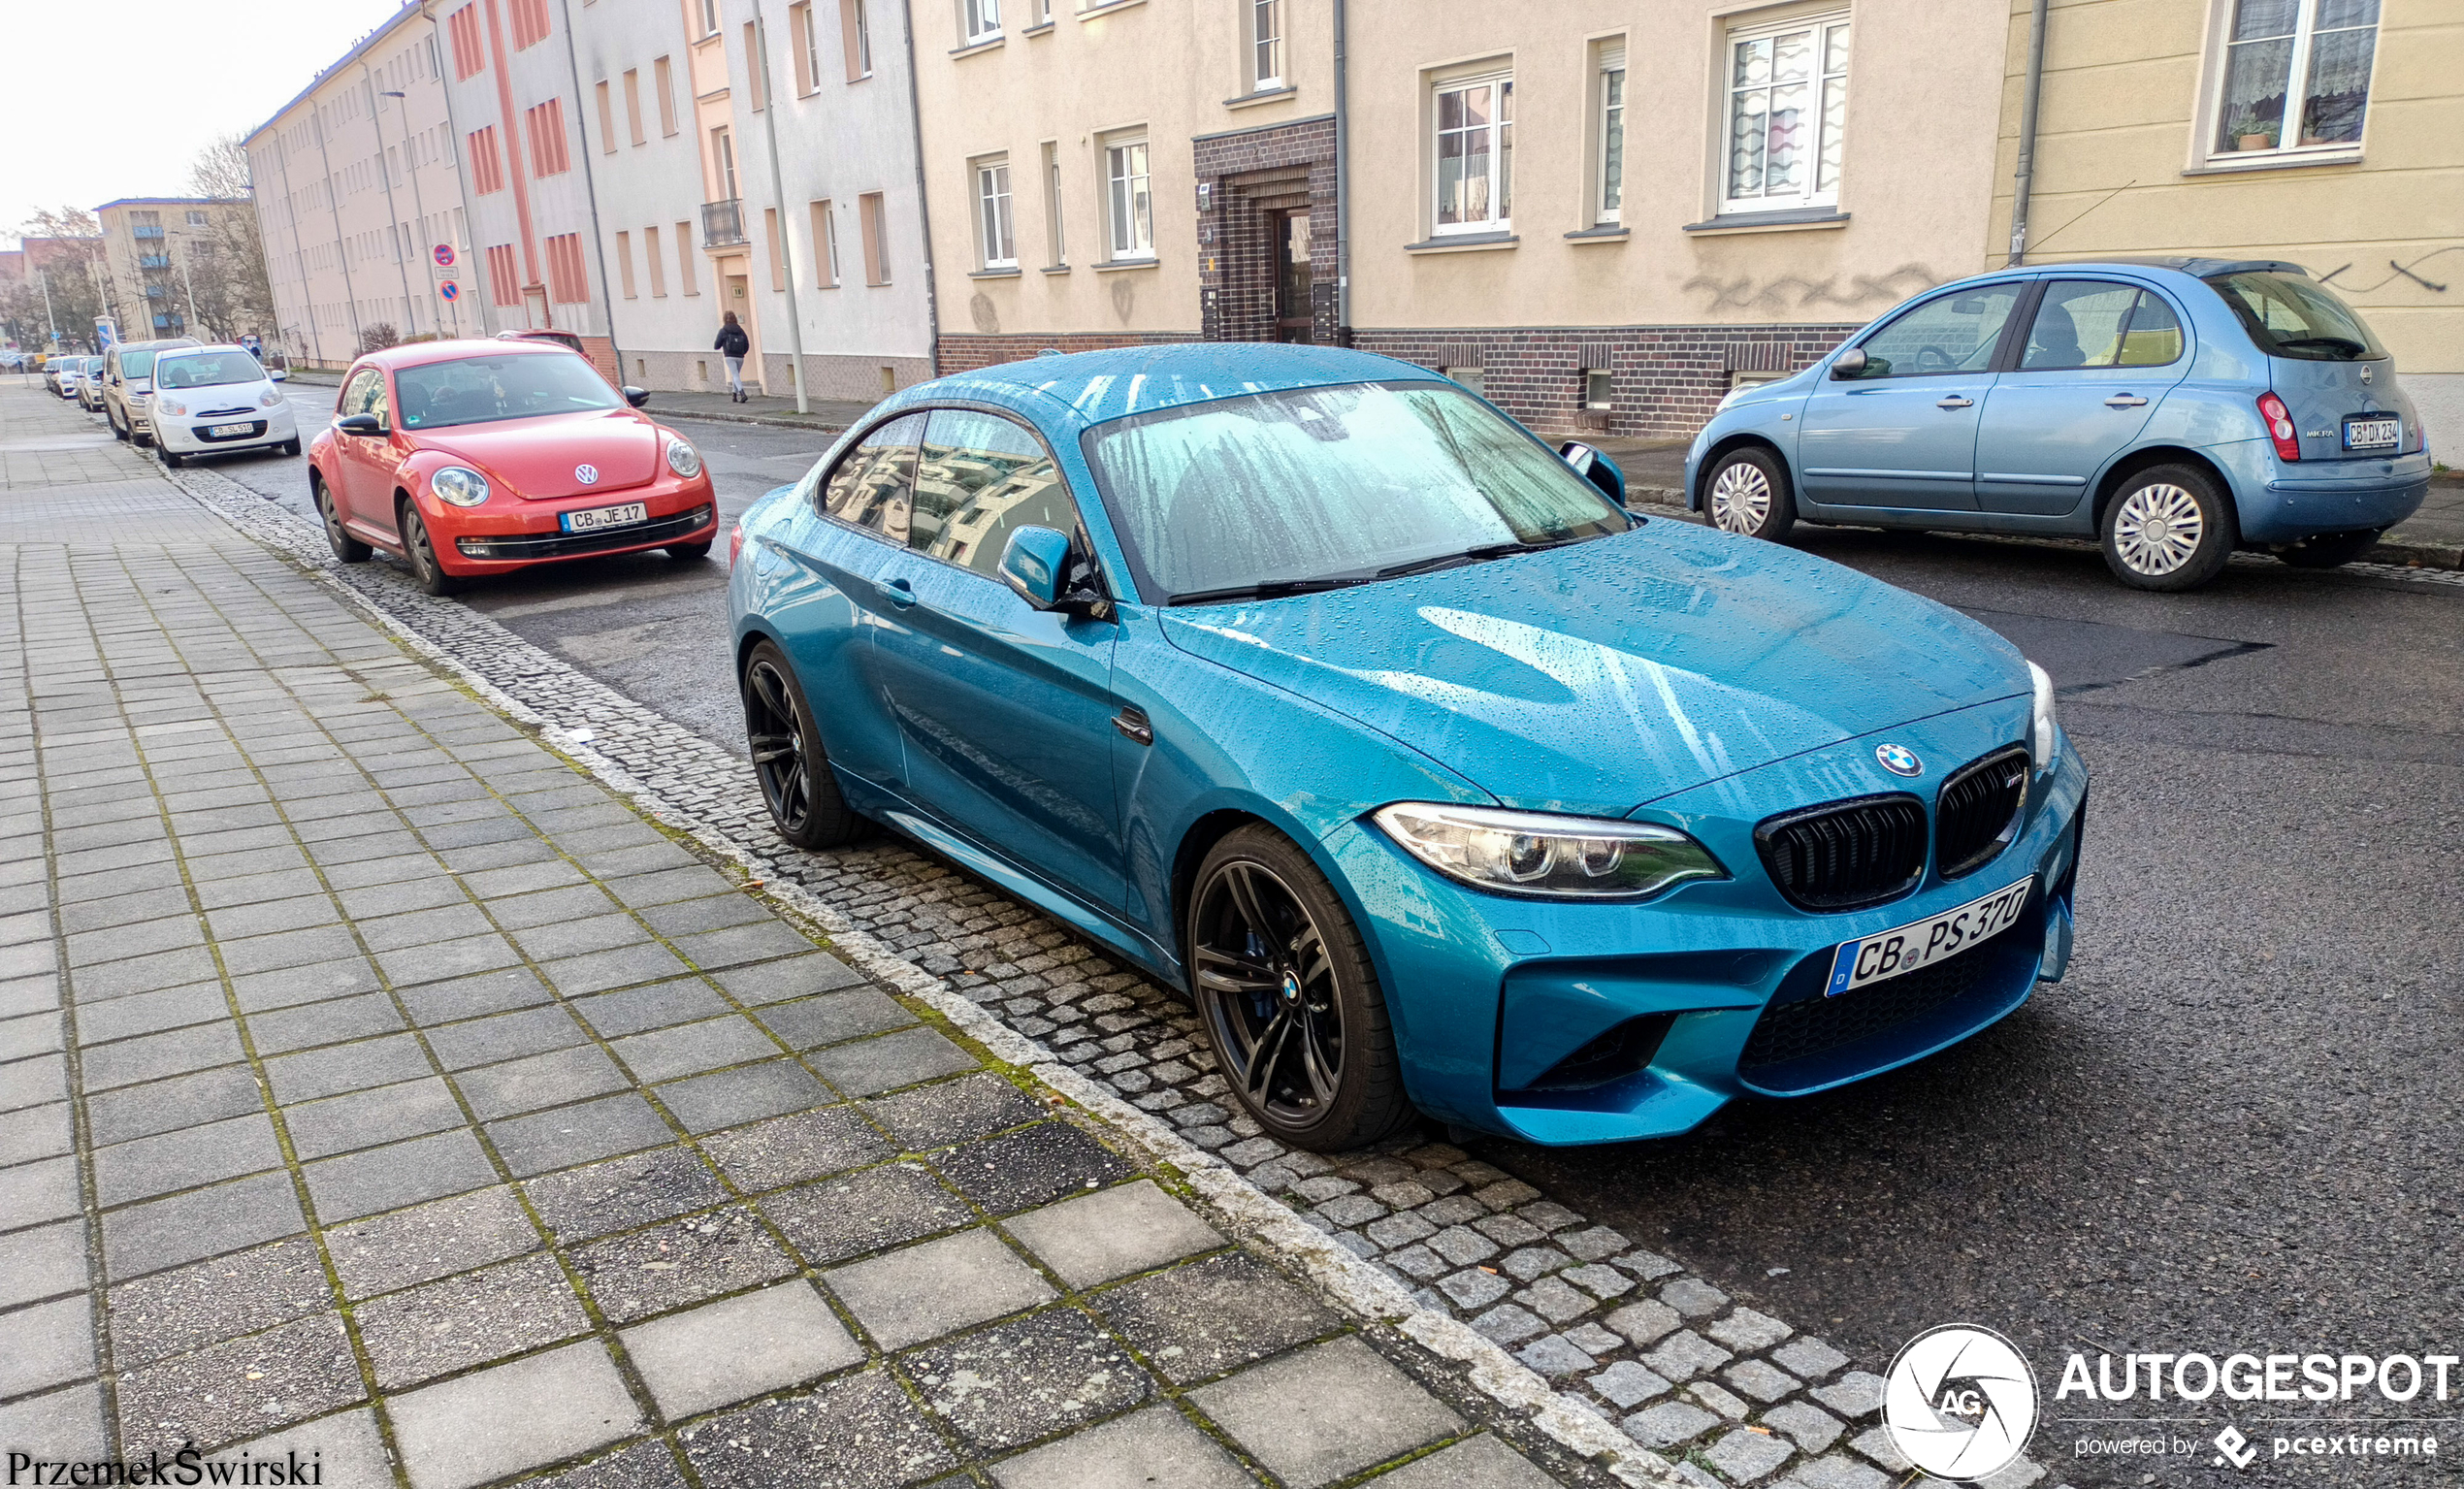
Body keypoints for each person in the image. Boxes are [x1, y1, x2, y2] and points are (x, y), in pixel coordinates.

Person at [714, 312, 751, 403]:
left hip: (729, 356)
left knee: (735, 375)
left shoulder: (723, 331)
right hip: (740, 357)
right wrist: (742, 352)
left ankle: (742, 393)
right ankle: (734, 395)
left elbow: (716, 346)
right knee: (736, 375)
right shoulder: (740, 330)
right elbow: (746, 344)